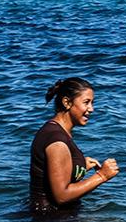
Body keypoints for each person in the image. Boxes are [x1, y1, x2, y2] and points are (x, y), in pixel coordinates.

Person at [29, 77, 118, 214]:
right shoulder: (57, 142)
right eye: (86, 102)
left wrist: (80, 166)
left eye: (92, 103)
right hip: (53, 220)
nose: (91, 109)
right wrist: (102, 176)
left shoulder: (55, 129)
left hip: (52, 216)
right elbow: (61, 196)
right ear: (67, 102)